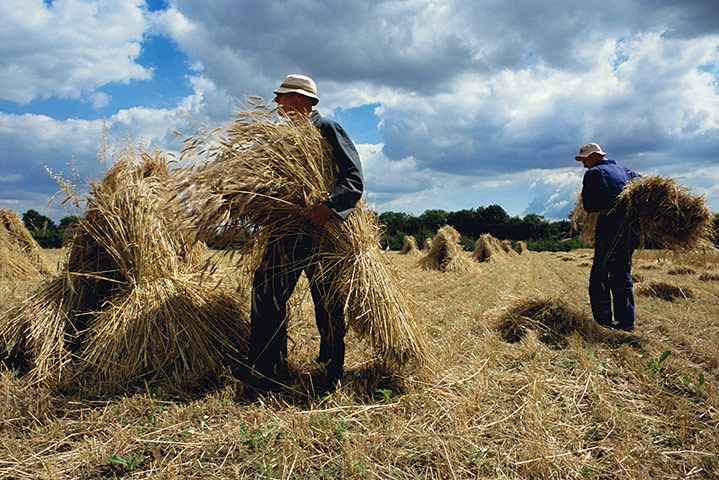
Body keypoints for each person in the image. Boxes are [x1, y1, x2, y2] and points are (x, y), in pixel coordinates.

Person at [247, 74, 365, 390]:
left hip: (324, 232)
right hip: (286, 233)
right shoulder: (284, 140)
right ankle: (267, 369)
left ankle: (331, 370)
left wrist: (328, 206)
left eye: (281, 96)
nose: (275, 101)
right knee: (265, 294)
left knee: (328, 302)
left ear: (300, 99)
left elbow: (354, 180)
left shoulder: (327, 130)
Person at [576, 142, 639, 331]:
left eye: (585, 159)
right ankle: (626, 321)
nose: (584, 164)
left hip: (610, 225)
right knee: (622, 272)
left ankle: (603, 323)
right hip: (632, 227)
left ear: (595, 156)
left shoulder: (594, 173)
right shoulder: (628, 172)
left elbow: (589, 206)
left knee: (600, 275)